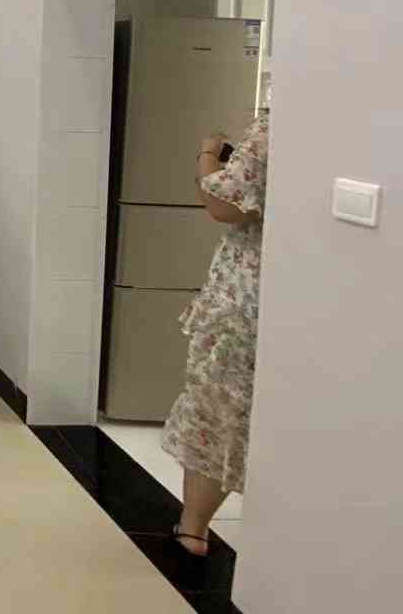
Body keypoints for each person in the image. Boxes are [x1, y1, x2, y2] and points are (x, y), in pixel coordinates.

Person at [161, 110, 270, 557]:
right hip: (291, 295)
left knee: (217, 410)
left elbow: (224, 204)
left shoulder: (273, 128)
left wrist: (207, 153)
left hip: (243, 299)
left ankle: (193, 530)